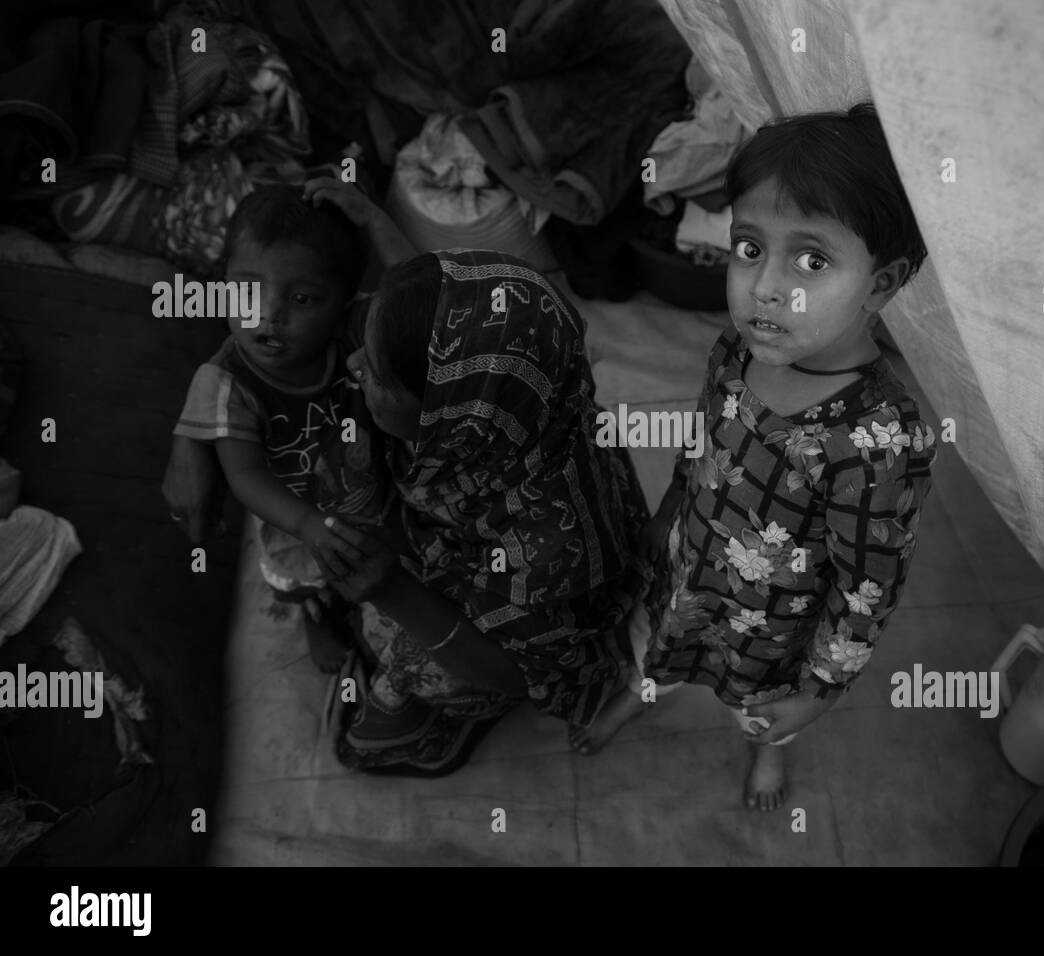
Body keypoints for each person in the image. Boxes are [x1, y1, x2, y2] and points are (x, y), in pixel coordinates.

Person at [166, 180, 651, 774]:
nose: (350, 366)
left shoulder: (547, 542)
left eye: (373, 373)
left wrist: (393, 592)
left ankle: (446, 716)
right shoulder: (517, 399)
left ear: (442, 411)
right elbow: (421, 310)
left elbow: (519, 670)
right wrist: (193, 431)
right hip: (444, 545)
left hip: (511, 643)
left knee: (394, 652)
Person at [569, 104, 939, 812]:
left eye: (811, 259)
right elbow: (705, 440)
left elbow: (867, 587)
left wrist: (822, 691)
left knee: (763, 710)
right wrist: (673, 508)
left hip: (773, 628)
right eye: (749, 248)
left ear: (884, 283)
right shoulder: (740, 349)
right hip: (690, 569)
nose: (767, 286)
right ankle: (640, 695)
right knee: (657, 644)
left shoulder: (880, 441)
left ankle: (766, 753)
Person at [170, 184, 385, 672]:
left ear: (344, 301)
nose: (268, 314)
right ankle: (317, 617)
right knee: (303, 577)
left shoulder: (351, 328)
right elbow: (246, 477)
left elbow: (429, 293)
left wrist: (374, 219)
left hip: (375, 488)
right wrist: (308, 524)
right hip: (294, 516)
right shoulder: (232, 384)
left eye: (303, 298)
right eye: (247, 290)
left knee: (385, 566)